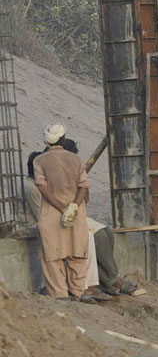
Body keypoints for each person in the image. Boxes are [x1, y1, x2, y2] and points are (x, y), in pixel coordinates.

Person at [26, 141, 135, 300]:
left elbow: (84, 198)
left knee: (103, 233)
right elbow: (42, 213)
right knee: (87, 241)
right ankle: (90, 286)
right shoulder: (39, 181)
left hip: (73, 214)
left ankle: (107, 279)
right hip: (57, 218)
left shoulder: (67, 172)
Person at [32, 123, 95, 303]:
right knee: (77, 252)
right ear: (64, 139)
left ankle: (59, 293)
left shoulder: (39, 161)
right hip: (76, 214)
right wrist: (73, 207)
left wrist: (61, 208)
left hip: (51, 213)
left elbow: (43, 189)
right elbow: (83, 186)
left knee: (52, 255)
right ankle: (78, 291)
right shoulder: (75, 160)